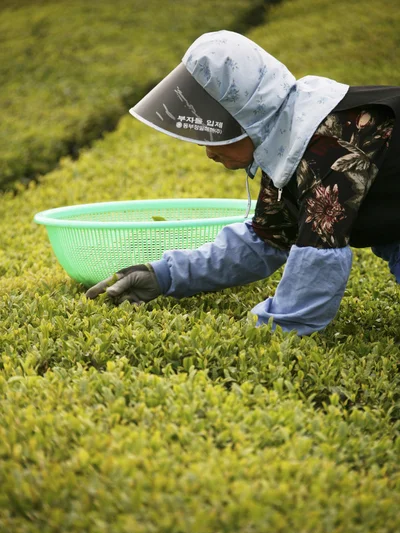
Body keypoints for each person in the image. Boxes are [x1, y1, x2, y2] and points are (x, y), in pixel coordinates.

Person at [86, 30, 400, 335]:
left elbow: (317, 264)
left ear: (253, 117)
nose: (209, 153)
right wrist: (164, 275)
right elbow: (268, 239)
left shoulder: (329, 146)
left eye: (216, 136)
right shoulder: (292, 139)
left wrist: (256, 334)